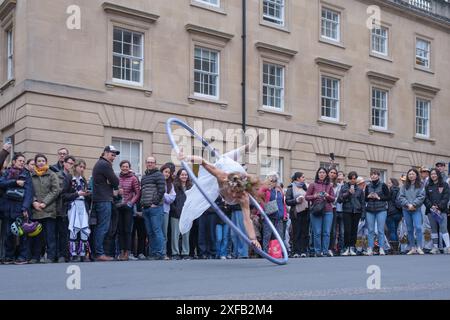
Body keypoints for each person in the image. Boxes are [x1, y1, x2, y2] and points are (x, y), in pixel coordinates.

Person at [178, 146, 262, 250]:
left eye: (237, 193)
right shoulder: (222, 177)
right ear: (228, 185)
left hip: (236, 171)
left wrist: (253, 238)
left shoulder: (244, 197)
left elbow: (247, 219)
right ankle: (244, 148)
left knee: (225, 159)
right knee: (222, 160)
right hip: (224, 173)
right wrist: (186, 158)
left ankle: (244, 148)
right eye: (232, 192)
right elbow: (202, 161)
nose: (235, 196)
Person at [0, 153, 33, 264]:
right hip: (7, 208)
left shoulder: (26, 174)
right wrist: (15, 182)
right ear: (14, 161)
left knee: (22, 233)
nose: (22, 163)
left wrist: (25, 208)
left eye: (23, 161)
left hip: (20, 208)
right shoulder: (7, 173)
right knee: (9, 233)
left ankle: (23, 257)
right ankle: (9, 256)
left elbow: (29, 193)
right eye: (20, 160)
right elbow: (1, 183)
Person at [29, 154, 61, 263]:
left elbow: (55, 190)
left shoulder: (51, 174)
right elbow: (29, 191)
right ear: (36, 163)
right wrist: (34, 202)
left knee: (50, 235)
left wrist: (44, 203)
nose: (41, 162)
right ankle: (36, 256)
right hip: (36, 210)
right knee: (37, 235)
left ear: (46, 162)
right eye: (39, 161)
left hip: (49, 210)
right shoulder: (31, 175)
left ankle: (51, 256)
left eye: (43, 161)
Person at [92, 145, 120, 261]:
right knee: (103, 227)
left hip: (101, 198)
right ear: (105, 153)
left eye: (114, 155)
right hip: (103, 200)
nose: (113, 157)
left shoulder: (100, 163)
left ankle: (98, 252)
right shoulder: (105, 164)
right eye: (112, 154)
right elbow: (116, 181)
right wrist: (111, 183)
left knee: (101, 227)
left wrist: (110, 183)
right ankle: (99, 254)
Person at [62, 159, 91, 262]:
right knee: (74, 229)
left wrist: (87, 194)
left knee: (84, 229)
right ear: (75, 167)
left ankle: (83, 253)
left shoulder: (83, 179)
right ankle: (73, 254)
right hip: (73, 205)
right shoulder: (69, 178)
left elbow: (86, 195)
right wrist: (77, 194)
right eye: (80, 166)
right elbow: (64, 195)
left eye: (83, 167)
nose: (82, 169)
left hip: (83, 205)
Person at [305, 167, 335, 257]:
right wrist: (315, 196)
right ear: (317, 174)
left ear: (326, 174)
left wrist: (327, 195)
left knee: (326, 232)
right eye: (320, 172)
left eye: (323, 172)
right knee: (317, 232)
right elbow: (306, 197)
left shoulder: (329, 186)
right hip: (316, 210)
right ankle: (317, 251)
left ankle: (325, 251)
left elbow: (333, 199)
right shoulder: (312, 185)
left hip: (328, 211)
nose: (321, 174)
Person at [140, 156, 166, 260]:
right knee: (150, 232)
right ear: (146, 163)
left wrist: (154, 203)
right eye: (148, 162)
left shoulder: (159, 175)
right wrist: (142, 204)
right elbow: (143, 191)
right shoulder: (144, 177)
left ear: (155, 163)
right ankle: (153, 253)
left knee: (157, 230)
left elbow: (161, 190)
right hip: (145, 208)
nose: (150, 164)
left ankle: (159, 253)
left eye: (152, 162)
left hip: (155, 208)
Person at [117, 160, 141, 261]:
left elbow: (137, 193)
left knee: (128, 230)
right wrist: (117, 193)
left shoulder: (133, 178)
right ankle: (121, 251)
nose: (125, 168)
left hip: (128, 207)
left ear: (129, 167)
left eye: (126, 166)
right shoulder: (117, 178)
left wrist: (131, 203)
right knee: (120, 230)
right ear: (120, 167)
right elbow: (114, 191)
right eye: (123, 166)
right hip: (119, 206)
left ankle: (127, 251)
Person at [398, 168, 425, 255]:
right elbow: (401, 197)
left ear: (416, 175)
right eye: (409, 174)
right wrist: (408, 205)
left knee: (418, 227)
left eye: (413, 174)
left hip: (416, 209)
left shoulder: (420, 185)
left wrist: (413, 205)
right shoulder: (404, 186)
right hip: (406, 210)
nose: (411, 175)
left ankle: (419, 247)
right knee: (409, 229)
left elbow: (421, 196)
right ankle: (412, 247)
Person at [424, 168, 450, 254]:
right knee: (433, 229)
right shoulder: (428, 186)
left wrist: (438, 207)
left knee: (444, 228)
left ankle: (448, 247)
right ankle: (435, 248)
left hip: (441, 211)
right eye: (431, 174)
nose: (433, 175)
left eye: (435, 174)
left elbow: (446, 197)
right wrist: (431, 206)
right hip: (431, 211)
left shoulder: (445, 185)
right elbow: (425, 198)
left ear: (438, 174)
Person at [55, 155, 76, 263]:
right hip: (59, 208)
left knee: (66, 233)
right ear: (64, 163)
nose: (70, 165)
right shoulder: (58, 175)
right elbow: (61, 194)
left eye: (72, 164)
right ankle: (61, 255)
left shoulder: (72, 177)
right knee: (61, 233)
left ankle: (66, 254)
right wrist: (76, 194)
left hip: (69, 208)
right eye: (69, 163)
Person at [339, 171, 365, 256]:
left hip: (357, 211)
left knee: (354, 230)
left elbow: (362, 202)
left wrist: (363, 213)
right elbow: (339, 200)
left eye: (354, 178)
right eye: (351, 178)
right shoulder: (344, 187)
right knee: (347, 230)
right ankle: (346, 247)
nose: (353, 180)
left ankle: (352, 247)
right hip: (347, 211)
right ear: (349, 178)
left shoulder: (360, 189)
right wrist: (348, 193)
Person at [364, 169, 390, 256]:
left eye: (375, 174)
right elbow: (365, 199)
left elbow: (388, 197)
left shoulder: (383, 185)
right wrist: (368, 196)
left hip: (381, 209)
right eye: (372, 174)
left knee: (380, 230)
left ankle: (381, 248)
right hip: (370, 209)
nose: (373, 176)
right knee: (370, 230)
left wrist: (379, 197)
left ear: (378, 176)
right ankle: (370, 248)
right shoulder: (368, 186)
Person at [285, 172, 309, 258]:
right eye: (302, 177)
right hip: (296, 212)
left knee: (304, 232)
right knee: (296, 232)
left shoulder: (305, 186)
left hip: (305, 211)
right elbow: (287, 201)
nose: (304, 178)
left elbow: (308, 197)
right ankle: (296, 251)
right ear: (297, 178)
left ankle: (303, 251)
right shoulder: (291, 187)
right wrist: (296, 200)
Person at [170, 169, 192, 259]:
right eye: (182, 175)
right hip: (176, 213)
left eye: (186, 175)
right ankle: (175, 253)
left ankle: (185, 253)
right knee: (175, 234)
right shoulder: (174, 186)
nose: (184, 176)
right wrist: (175, 210)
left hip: (187, 214)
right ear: (179, 176)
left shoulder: (191, 187)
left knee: (186, 234)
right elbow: (171, 200)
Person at [161, 163, 175, 260]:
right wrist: (166, 195)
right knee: (155, 232)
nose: (167, 174)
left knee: (164, 233)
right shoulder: (157, 182)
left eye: (168, 173)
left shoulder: (170, 185)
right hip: (155, 209)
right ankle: (155, 252)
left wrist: (163, 193)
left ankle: (163, 252)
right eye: (165, 172)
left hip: (165, 211)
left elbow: (171, 199)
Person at [386, 178, 402, 254]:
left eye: (389, 183)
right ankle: (397, 248)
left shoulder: (389, 191)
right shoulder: (400, 190)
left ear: (393, 183)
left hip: (390, 212)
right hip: (398, 213)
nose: (388, 184)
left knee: (392, 231)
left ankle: (394, 249)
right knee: (395, 230)